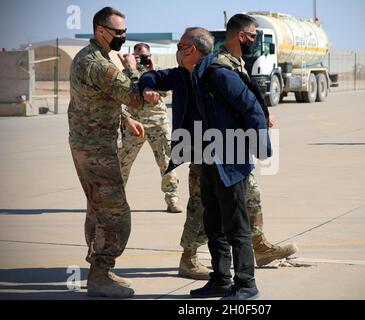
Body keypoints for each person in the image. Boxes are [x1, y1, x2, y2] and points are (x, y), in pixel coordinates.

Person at [140, 27, 271, 300]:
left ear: (192, 50)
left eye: (180, 45)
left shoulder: (219, 74)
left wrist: (261, 148)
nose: (177, 50)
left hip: (230, 160)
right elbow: (153, 76)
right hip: (207, 160)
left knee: (236, 226)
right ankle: (221, 280)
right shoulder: (184, 75)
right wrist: (147, 87)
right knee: (213, 224)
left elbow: (252, 108)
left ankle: (246, 284)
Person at [178, 14, 297, 280]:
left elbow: (241, 102)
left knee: (250, 197)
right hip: (211, 149)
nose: (255, 41)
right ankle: (189, 256)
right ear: (241, 36)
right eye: (253, 36)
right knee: (202, 204)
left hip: (233, 148)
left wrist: (261, 118)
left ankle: (259, 245)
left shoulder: (236, 62)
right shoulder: (215, 62)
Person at [68, 7, 159, 298]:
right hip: (97, 149)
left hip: (87, 144)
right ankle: (100, 273)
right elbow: (135, 97)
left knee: (97, 208)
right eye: (118, 32)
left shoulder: (89, 57)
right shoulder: (99, 64)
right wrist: (134, 69)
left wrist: (124, 119)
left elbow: (96, 102)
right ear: (100, 31)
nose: (123, 37)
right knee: (115, 214)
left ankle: (100, 269)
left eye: (124, 31)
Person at [119, 43, 182, 213]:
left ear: (150, 55)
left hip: (158, 122)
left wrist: (152, 69)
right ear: (133, 56)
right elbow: (128, 94)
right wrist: (131, 68)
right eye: (138, 56)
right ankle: (116, 200)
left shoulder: (158, 70)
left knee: (167, 161)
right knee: (123, 161)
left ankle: (172, 199)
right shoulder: (125, 74)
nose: (142, 59)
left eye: (145, 55)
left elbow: (166, 92)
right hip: (134, 124)